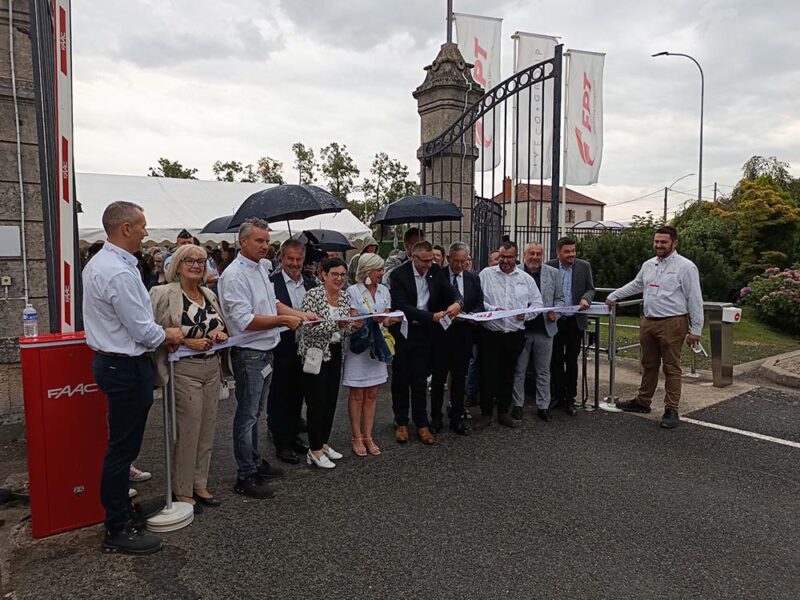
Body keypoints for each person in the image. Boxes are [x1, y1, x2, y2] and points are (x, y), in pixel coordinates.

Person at [83, 201, 184, 555]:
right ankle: (117, 527)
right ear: (125, 228)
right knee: (122, 450)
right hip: (124, 366)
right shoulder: (117, 272)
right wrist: (170, 335)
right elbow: (143, 330)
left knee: (124, 446)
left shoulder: (108, 263)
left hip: (118, 364)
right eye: (142, 225)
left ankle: (123, 512)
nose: (146, 231)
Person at [218, 218, 314, 499]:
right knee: (247, 415)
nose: (265, 246)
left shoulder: (262, 267)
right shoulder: (234, 275)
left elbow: (272, 303)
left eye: (267, 240)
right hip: (249, 353)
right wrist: (285, 320)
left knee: (257, 413)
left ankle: (255, 460)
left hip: (265, 350)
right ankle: (245, 474)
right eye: (259, 241)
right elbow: (245, 320)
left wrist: (300, 314)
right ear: (243, 241)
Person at [150, 244, 228, 511]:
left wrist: (220, 335)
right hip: (183, 370)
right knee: (189, 431)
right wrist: (186, 341)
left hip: (211, 368)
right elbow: (152, 331)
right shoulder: (163, 293)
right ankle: (182, 489)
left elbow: (222, 326)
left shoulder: (208, 294)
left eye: (201, 261)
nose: (196, 265)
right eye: (189, 261)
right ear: (178, 265)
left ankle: (199, 482)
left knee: (207, 430)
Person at [606, 226, 703, 429]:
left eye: (663, 242)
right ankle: (643, 402)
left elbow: (695, 299)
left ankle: (671, 409)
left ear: (674, 243)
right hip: (649, 321)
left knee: (671, 367)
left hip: (673, 322)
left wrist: (696, 330)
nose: (659, 245)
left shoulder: (686, 267)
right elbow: (637, 284)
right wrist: (614, 295)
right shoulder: (649, 265)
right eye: (656, 241)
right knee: (648, 364)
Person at [389, 241, 461, 444]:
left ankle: (422, 423)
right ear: (414, 257)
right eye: (426, 261)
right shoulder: (399, 275)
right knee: (401, 378)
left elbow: (450, 291)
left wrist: (457, 302)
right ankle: (401, 421)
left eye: (432, 260)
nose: (430, 264)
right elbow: (401, 305)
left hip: (425, 333)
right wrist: (431, 316)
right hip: (404, 331)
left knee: (420, 379)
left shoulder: (435, 271)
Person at [298, 258, 361, 469]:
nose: (339, 278)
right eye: (335, 274)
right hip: (314, 353)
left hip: (335, 351)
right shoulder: (312, 295)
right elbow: (308, 328)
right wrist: (336, 323)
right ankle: (314, 448)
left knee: (331, 400)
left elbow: (342, 331)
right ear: (323, 274)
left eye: (343, 274)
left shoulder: (344, 297)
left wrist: (354, 326)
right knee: (316, 402)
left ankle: (323, 443)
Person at [475, 241, 543, 429]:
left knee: (508, 374)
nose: (505, 261)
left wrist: (527, 314)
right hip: (491, 333)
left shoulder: (525, 278)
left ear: (516, 256)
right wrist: (492, 309)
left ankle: (503, 412)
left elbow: (538, 304)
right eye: (502, 257)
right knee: (487, 374)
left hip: (514, 333)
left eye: (509, 257)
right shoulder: (486, 274)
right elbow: (478, 299)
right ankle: (486, 413)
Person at [343, 253, 400, 455]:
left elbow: (386, 318)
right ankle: (356, 436)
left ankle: (368, 435)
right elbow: (349, 318)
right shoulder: (352, 291)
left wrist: (390, 319)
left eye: (382, 269)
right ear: (367, 271)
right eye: (378, 270)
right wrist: (364, 319)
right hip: (359, 347)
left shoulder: (384, 290)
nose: (381, 273)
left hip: (377, 346)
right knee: (357, 393)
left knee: (373, 393)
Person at [268, 239, 318, 464]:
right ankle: (281, 442)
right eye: (290, 258)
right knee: (280, 395)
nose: (295, 263)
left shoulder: (310, 283)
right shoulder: (271, 282)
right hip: (282, 346)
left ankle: (293, 435)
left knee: (298, 394)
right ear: (281, 258)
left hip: (305, 348)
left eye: (299, 259)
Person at [430, 242, 483, 435]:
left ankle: (457, 417)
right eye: (456, 261)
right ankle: (436, 418)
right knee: (438, 379)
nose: (460, 265)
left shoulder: (472, 279)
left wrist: (472, 315)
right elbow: (431, 302)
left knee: (460, 378)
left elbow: (479, 303)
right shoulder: (438, 276)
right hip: (441, 335)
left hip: (463, 334)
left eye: (464, 261)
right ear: (449, 258)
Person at [512, 243, 564, 421]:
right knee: (519, 370)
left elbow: (560, 299)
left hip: (545, 330)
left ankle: (543, 406)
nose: (535, 257)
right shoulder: (515, 272)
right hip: (521, 329)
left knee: (543, 371)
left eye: (538, 254)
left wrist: (555, 314)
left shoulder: (553, 273)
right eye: (531, 253)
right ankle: (517, 405)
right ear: (524, 255)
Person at [547, 237, 595, 416]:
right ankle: (557, 395)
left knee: (572, 361)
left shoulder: (584, 266)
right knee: (556, 359)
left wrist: (586, 299)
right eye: (567, 252)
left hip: (575, 321)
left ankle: (571, 398)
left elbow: (591, 289)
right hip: (556, 321)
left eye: (573, 251)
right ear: (559, 252)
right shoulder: (549, 266)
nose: (571, 255)